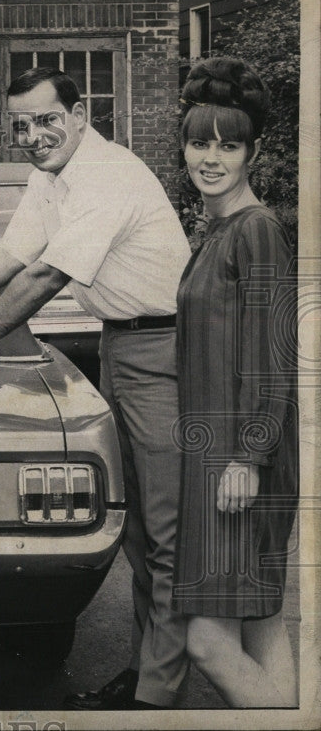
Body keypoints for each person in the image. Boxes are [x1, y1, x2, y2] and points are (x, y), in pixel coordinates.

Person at [0, 67, 193, 708]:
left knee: (167, 532)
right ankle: (150, 672)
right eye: (20, 126)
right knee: (140, 527)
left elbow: (45, 276)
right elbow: (11, 254)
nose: (34, 136)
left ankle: (156, 697)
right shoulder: (50, 177)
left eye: (46, 119)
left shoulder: (107, 175)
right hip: (122, 342)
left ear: (81, 113)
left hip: (167, 345)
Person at [173, 57, 298, 707]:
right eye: (200, 142)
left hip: (240, 460)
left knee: (209, 641)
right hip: (219, 458)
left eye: (229, 144)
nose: (211, 158)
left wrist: (248, 456)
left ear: (254, 150)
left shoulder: (257, 230)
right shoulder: (218, 230)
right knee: (262, 624)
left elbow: (275, 353)